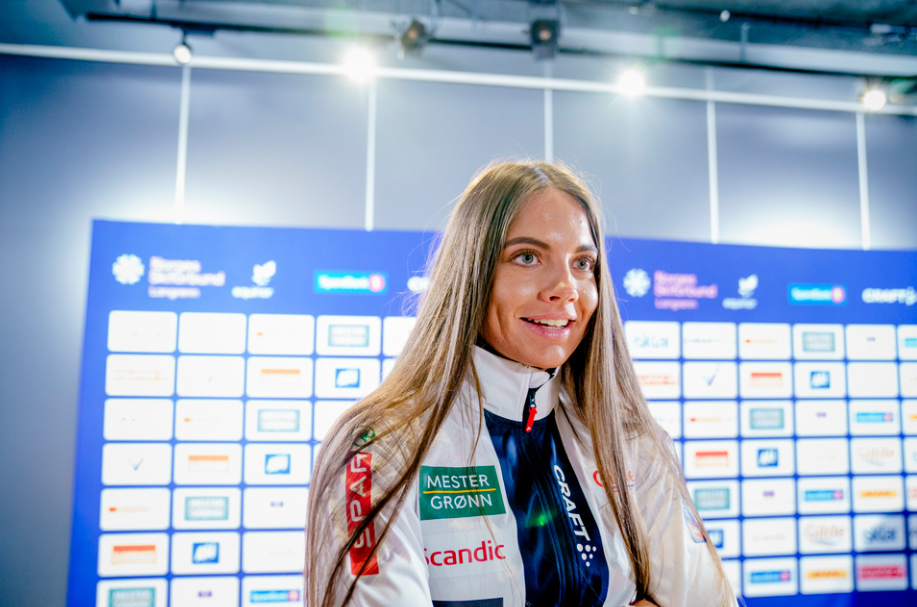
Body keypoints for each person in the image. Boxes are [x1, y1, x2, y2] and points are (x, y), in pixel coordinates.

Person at [305, 161, 737, 607]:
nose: (564, 288)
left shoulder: (632, 443)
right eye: (527, 257)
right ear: (472, 274)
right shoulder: (381, 448)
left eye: (583, 263)